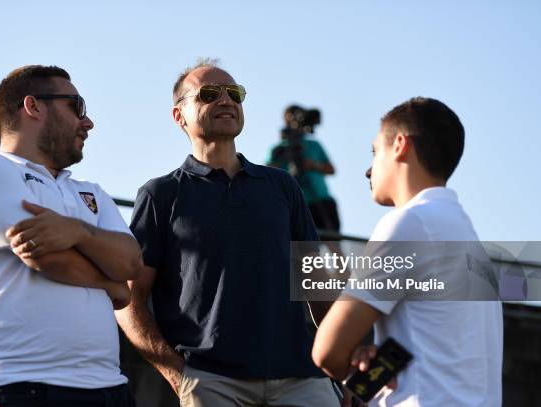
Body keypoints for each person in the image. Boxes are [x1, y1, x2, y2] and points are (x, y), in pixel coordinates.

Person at [116, 60, 340, 406]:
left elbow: (316, 282)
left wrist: (341, 368)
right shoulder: (161, 195)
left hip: (302, 377)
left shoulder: (282, 186)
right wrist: (176, 372)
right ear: (180, 116)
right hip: (211, 382)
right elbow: (128, 297)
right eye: (209, 94)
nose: (226, 100)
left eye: (234, 93)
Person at [0, 65, 143, 406]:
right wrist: (110, 285)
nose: (88, 122)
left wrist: (77, 231)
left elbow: (130, 263)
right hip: (16, 386)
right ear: (33, 106)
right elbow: (44, 255)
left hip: (110, 389)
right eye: (76, 106)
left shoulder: (91, 192)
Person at [311, 97, 503, 406]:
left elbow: (327, 351)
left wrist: (350, 368)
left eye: (376, 152)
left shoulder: (408, 225)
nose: (368, 169)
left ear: (400, 144)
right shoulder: (470, 242)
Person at [267, 105, 341, 233]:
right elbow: (268, 172)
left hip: (322, 199)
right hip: (298, 204)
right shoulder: (279, 149)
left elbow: (331, 169)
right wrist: (278, 159)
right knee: (306, 249)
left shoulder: (313, 144)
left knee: (333, 244)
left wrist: (312, 165)